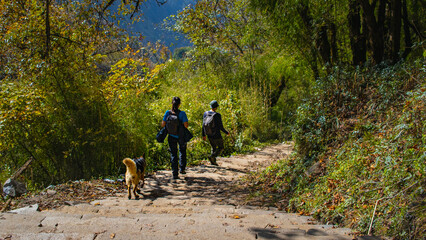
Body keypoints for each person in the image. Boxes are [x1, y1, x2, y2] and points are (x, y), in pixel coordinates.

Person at [161, 97, 189, 180]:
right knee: (182, 151)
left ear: (172, 104)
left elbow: (163, 125)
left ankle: (175, 173)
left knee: (173, 154)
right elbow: (186, 125)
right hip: (181, 136)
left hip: (171, 136)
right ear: (179, 104)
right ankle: (182, 168)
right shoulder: (182, 113)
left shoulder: (168, 113)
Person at [202, 100, 229, 165]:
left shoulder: (206, 113)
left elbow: (203, 125)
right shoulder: (217, 115)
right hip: (216, 135)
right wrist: (226, 132)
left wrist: (203, 134)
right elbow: (220, 126)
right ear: (216, 107)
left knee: (213, 147)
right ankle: (212, 157)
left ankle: (213, 162)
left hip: (209, 134)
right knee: (221, 147)